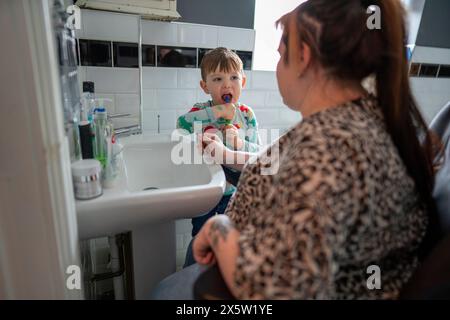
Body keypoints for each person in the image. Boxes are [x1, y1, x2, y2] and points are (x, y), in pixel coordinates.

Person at [153, 0, 441, 299]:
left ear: (302, 57)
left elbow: (274, 286)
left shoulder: (328, 149)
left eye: (280, 55)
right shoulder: (362, 120)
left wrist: (218, 228)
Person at [176, 47, 261, 266]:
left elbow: (259, 156)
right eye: (217, 78)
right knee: (202, 240)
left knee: (228, 244)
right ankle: (193, 279)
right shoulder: (200, 111)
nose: (227, 84)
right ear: (205, 86)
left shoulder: (246, 115)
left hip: (235, 194)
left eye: (233, 77)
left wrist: (240, 142)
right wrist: (217, 113)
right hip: (206, 193)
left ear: (242, 82)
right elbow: (182, 124)